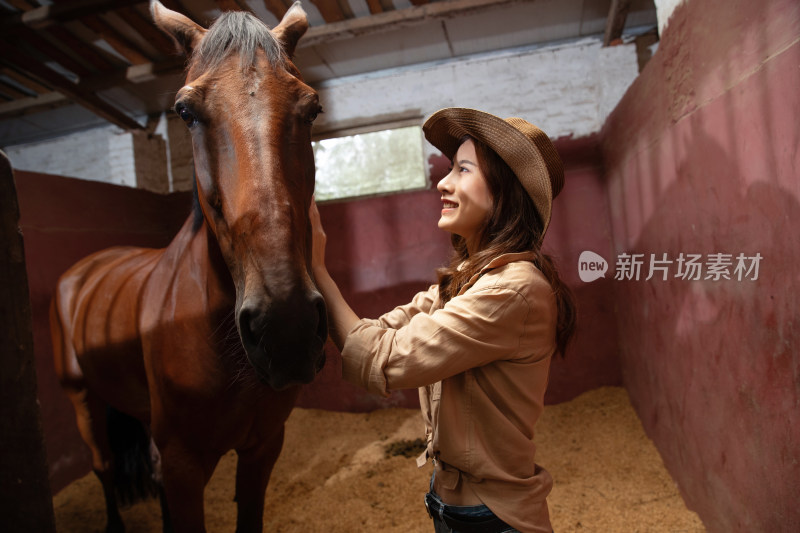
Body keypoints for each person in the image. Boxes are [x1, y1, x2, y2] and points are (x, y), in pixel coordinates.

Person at [309, 107, 576, 533]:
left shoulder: (512, 289)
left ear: (504, 191)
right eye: (450, 168)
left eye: (462, 169)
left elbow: (386, 358)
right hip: (450, 508)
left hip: (493, 520)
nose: (443, 182)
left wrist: (316, 269)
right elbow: (383, 328)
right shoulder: (469, 280)